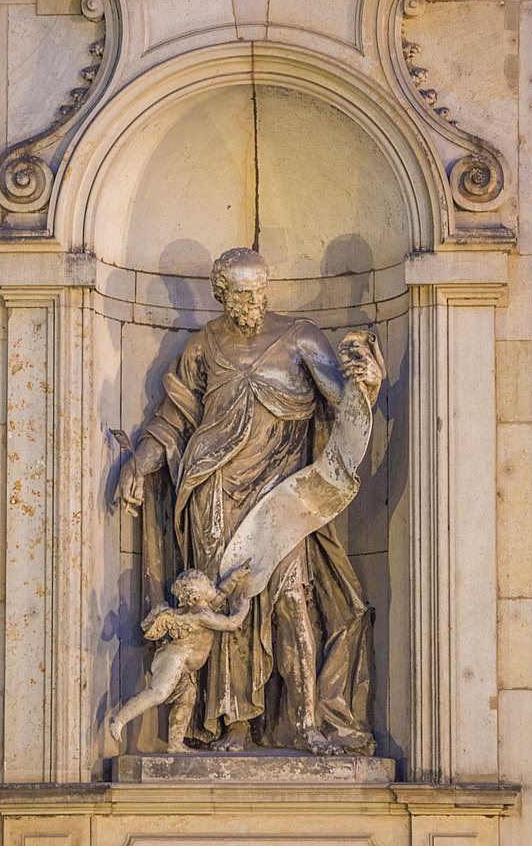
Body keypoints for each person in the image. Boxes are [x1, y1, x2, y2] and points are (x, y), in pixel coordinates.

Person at [117, 247, 384, 753]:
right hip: (214, 489)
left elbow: (345, 403)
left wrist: (365, 382)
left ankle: (306, 724)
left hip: (281, 497)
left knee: (292, 601)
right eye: (242, 292)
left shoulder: (299, 335)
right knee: (222, 604)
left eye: (260, 289)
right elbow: (173, 418)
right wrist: (140, 462)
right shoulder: (203, 346)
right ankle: (234, 725)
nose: (254, 301)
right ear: (222, 293)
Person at [109, 564, 251, 753]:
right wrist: (244, 604)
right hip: (175, 658)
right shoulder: (201, 614)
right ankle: (120, 720)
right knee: (158, 694)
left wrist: (234, 577)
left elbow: (220, 593)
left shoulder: (201, 609)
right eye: (208, 584)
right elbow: (232, 623)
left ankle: (175, 744)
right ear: (197, 593)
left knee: (187, 699)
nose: (212, 586)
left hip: (185, 665)